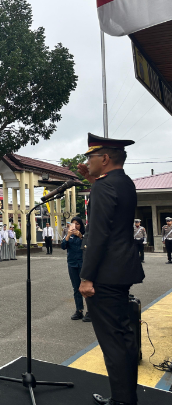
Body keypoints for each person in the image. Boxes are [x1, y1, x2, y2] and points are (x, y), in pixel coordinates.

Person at [77, 133, 145, 405]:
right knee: (124, 337)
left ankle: (122, 401)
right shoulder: (124, 183)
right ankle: (124, 397)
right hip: (121, 271)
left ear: (104, 158)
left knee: (112, 343)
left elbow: (98, 235)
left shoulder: (103, 187)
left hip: (104, 275)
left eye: (90, 157)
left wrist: (86, 277)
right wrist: (92, 181)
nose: (87, 162)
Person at [62, 217, 91, 322]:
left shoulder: (85, 235)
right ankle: (79, 310)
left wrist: (81, 236)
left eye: (77, 224)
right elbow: (63, 246)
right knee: (76, 288)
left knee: (86, 289)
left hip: (83, 264)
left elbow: (89, 246)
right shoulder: (68, 235)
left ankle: (90, 312)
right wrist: (69, 234)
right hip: (72, 264)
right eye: (73, 223)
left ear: (81, 225)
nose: (75, 226)